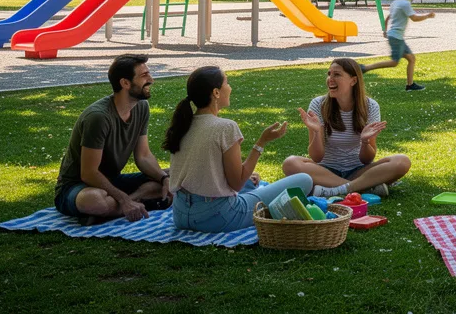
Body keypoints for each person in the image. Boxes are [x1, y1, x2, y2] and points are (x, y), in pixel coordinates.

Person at [164, 66, 313, 232]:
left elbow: (206, 170)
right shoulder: (225, 127)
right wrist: (261, 142)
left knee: (250, 183)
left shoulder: (182, 125)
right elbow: (236, 183)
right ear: (216, 93)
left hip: (181, 215)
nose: (230, 87)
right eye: (227, 83)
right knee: (304, 180)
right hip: (218, 217)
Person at [54, 54, 170, 224]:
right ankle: (126, 205)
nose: (151, 80)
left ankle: (120, 208)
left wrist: (164, 179)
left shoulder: (141, 107)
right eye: (144, 75)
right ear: (125, 83)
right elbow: (89, 173)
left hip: (111, 182)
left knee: (174, 176)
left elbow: (143, 156)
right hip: (77, 187)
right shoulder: (99, 117)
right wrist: (123, 199)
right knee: (95, 200)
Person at [282, 58, 412, 197]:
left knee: (402, 161)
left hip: (359, 170)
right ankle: (363, 186)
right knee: (290, 163)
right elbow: (317, 157)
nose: (330, 79)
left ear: (353, 81)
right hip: (325, 171)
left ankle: (335, 189)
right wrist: (316, 131)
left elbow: (366, 160)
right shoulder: (318, 104)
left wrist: (365, 141)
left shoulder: (371, 106)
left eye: (337, 75)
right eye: (329, 74)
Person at [361, 0, 434, 91]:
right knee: (394, 62)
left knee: (411, 59)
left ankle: (410, 85)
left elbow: (387, 18)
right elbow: (414, 18)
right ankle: (365, 68)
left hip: (395, 36)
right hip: (396, 37)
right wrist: (428, 16)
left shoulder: (395, 2)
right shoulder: (405, 4)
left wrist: (385, 30)